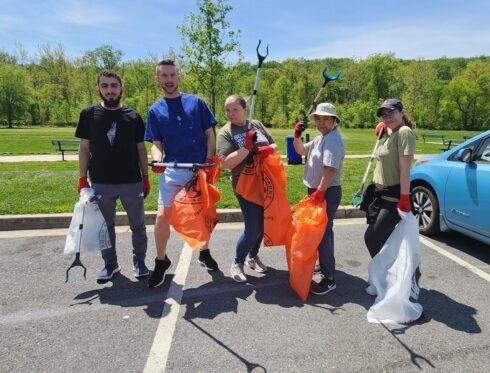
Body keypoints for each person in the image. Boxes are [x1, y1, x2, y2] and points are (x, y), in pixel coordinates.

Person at [145, 59, 218, 288]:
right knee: (161, 218)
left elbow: (210, 134)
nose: (169, 80)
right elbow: (156, 143)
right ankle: (161, 260)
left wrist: (208, 159)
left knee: (201, 216)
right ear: (157, 79)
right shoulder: (155, 110)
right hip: (172, 171)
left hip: (197, 171)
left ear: (179, 77)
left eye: (172, 75)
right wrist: (157, 160)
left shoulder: (196, 103)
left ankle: (204, 253)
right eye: (164, 76)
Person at [75, 70, 150, 283]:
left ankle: (140, 262)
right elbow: (84, 148)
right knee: (105, 227)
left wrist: (145, 176)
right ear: (98, 88)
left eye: (114, 86)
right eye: (105, 86)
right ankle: (110, 265)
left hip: (131, 180)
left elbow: (141, 149)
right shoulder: (89, 114)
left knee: (138, 226)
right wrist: (82, 178)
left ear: (121, 88)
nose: (110, 90)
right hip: (101, 181)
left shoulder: (133, 116)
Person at [217, 95, 277, 283]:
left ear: (244, 109)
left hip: (263, 181)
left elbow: (274, 144)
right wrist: (246, 148)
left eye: (235, 109)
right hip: (244, 184)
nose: (230, 113)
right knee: (252, 228)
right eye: (227, 110)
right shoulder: (226, 132)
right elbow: (225, 163)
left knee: (263, 223)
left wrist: (268, 149)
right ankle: (237, 262)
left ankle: (253, 256)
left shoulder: (256, 124)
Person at [363, 98, 418, 295]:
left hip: (394, 197)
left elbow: (405, 169)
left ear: (401, 112)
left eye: (391, 113)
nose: (387, 117)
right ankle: (389, 277)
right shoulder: (393, 133)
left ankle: (400, 279)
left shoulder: (404, 132)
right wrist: (385, 129)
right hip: (380, 194)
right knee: (385, 240)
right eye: (384, 115)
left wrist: (404, 197)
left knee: (372, 237)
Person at [293, 103, 345, 295]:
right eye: (318, 119)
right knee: (316, 232)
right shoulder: (319, 138)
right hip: (317, 191)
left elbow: (330, 169)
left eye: (326, 119)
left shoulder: (333, 140)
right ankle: (324, 266)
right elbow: (300, 151)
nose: (321, 123)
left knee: (322, 233)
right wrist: (297, 136)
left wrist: (320, 191)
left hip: (326, 191)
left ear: (334, 121)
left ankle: (329, 278)